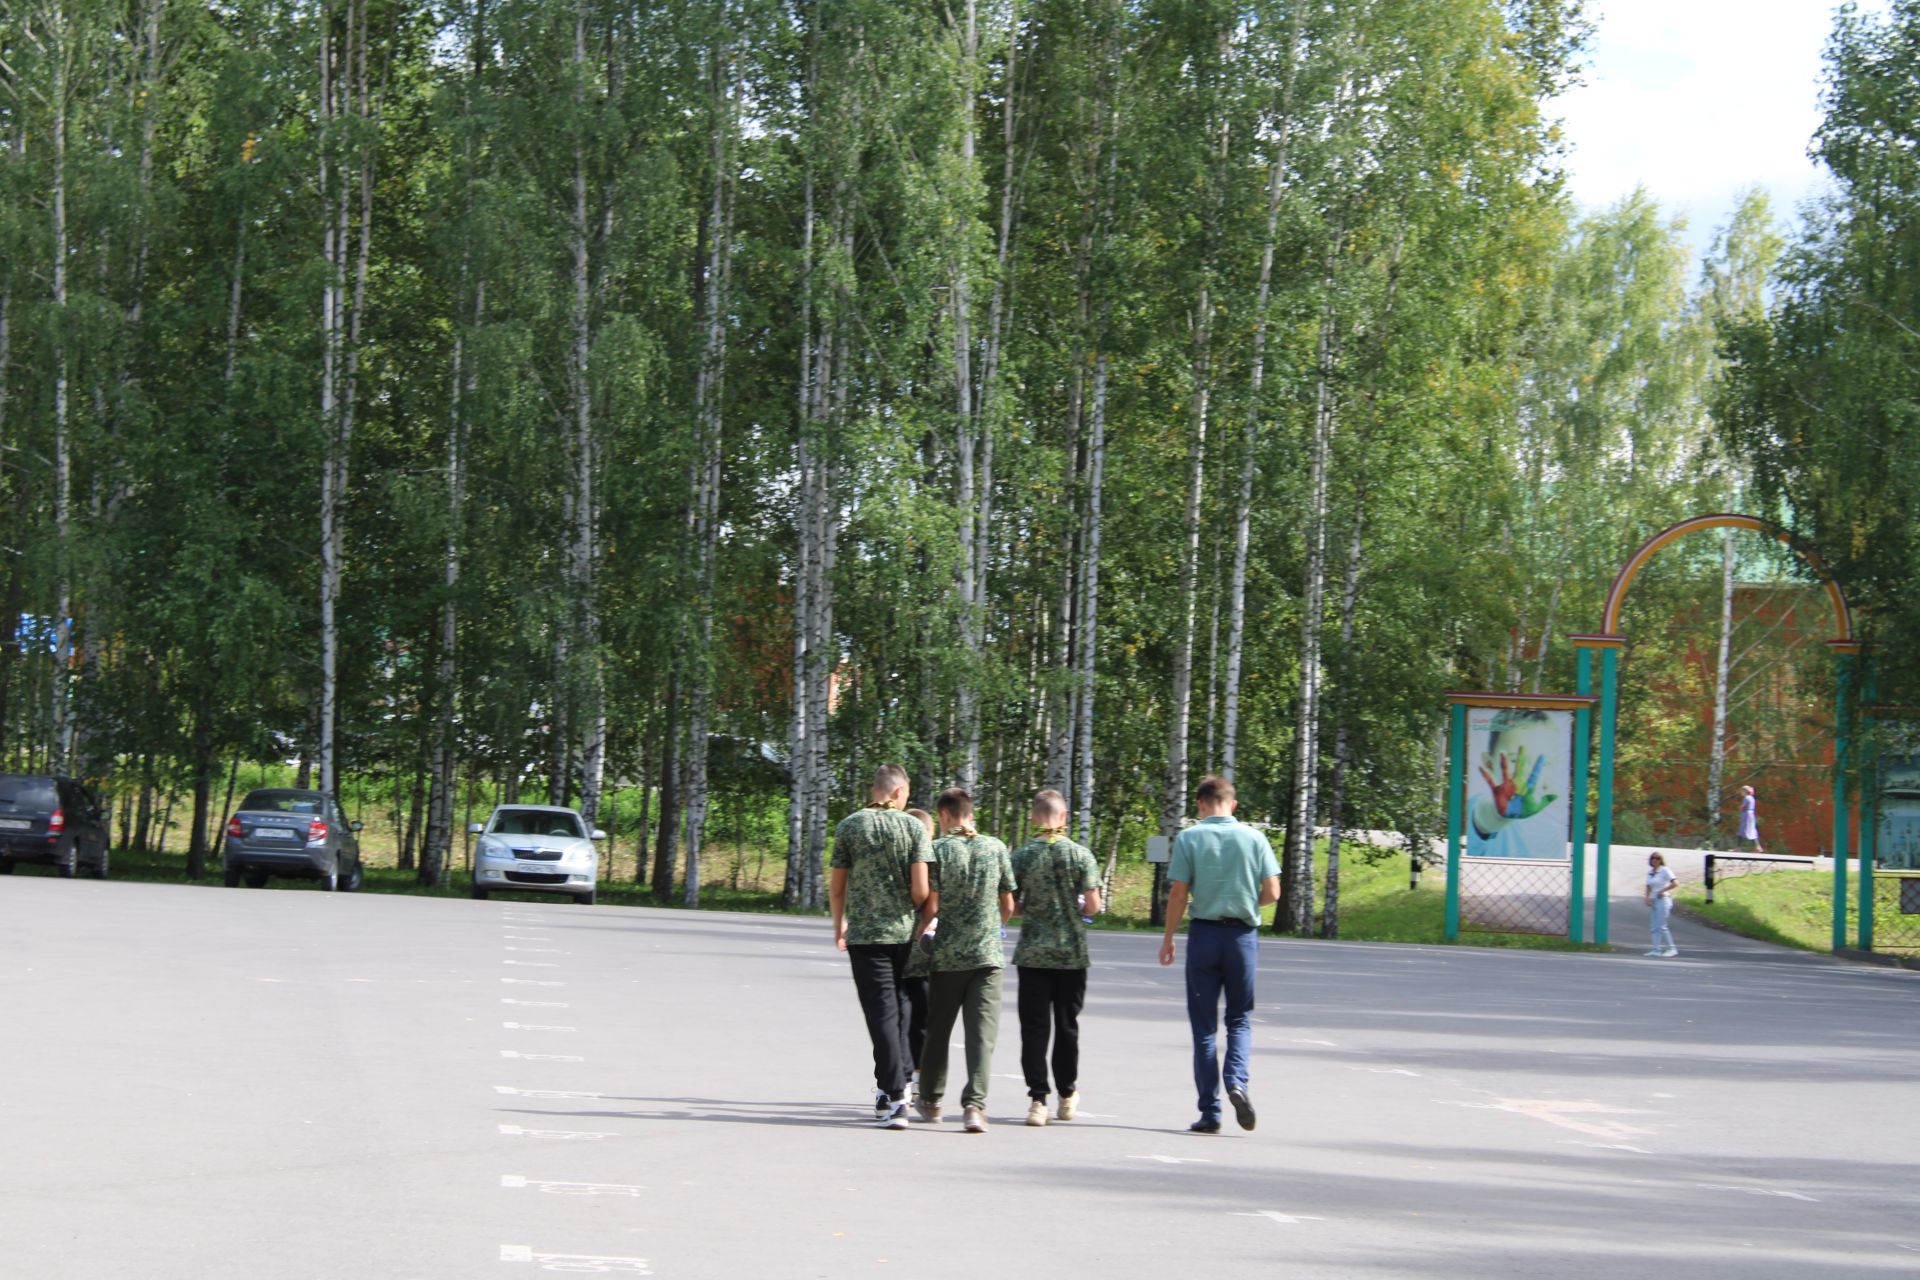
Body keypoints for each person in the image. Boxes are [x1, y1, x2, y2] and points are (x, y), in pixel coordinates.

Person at [1158, 775, 1280, 1134]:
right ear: (1234, 805)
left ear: (1200, 804)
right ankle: (1236, 1082)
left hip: (1204, 936)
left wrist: (1168, 938)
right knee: (1240, 1018)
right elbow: (1273, 891)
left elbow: (1179, 894)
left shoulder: (1189, 838)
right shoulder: (1255, 838)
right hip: (1242, 937)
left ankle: (1210, 1112)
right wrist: (1246, 903)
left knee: (1204, 1028)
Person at [830, 764, 934, 1130]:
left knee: (881, 1015)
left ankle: (894, 1096)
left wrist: (838, 924)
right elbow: (921, 891)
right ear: (898, 792)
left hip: (866, 938)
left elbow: (838, 886)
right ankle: (894, 1085)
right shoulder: (914, 828)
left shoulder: (850, 826)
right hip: (904, 935)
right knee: (900, 1011)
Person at [912, 788, 1015, 1134]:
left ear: (943, 816)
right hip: (988, 957)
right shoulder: (996, 847)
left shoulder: (938, 850)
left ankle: (931, 1099)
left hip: (948, 957)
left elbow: (933, 905)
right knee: (981, 1035)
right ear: (969, 813)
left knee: (938, 1031)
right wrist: (993, 927)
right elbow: (1009, 904)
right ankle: (975, 1107)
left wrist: (921, 935)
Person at [1009, 788, 1103, 1127]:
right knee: (1067, 1027)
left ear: (1035, 818)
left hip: (1033, 953)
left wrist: (1030, 906)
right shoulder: (1080, 855)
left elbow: (1011, 906)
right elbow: (1092, 906)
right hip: (1071, 954)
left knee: (1034, 1028)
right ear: (1063, 817)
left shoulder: (1021, 857)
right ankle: (1067, 1093)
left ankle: (1037, 1100)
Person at [902, 807, 938, 1082]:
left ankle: (909, 1077)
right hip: (918, 952)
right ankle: (911, 1076)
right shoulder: (927, 860)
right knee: (917, 1022)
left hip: (915, 955)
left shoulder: (935, 860)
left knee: (912, 1022)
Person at [1645, 852, 1679, 957]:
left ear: (1661, 860)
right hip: (1654, 900)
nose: (1655, 860)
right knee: (1654, 926)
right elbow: (1648, 886)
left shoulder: (1664, 870)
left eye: (1658, 858)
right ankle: (1656, 949)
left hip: (1663, 899)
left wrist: (1663, 890)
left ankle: (1672, 948)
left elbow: (1675, 883)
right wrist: (1647, 898)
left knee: (1662, 925)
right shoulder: (1650, 872)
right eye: (1653, 858)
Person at [1738, 784, 1765, 853]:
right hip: (1751, 815)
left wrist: (1740, 807)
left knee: (1742, 831)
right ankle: (1758, 847)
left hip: (1746, 815)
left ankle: (1738, 848)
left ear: (1745, 791)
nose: (1740, 792)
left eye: (1742, 791)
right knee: (1751, 831)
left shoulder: (1746, 798)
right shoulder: (1752, 798)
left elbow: (1742, 807)